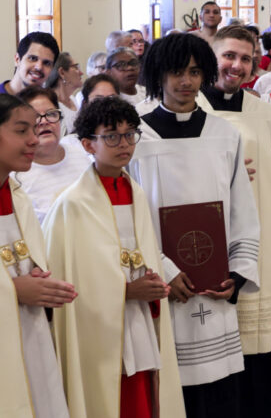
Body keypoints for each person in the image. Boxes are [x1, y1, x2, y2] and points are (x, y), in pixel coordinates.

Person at [129, 32, 261, 418]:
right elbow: (132, 219)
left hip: (214, 289)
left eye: (194, 72)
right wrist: (164, 272)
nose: (185, 82)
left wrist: (236, 274)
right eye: (175, 72)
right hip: (161, 285)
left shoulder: (224, 135)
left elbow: (242, 211)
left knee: (217, 397)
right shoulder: (135, 136)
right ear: (158, 75)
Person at [44, 96, 185, 418]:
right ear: (87, 144)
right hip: (99, 330)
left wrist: (152, 283)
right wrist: (125, 291)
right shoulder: (72, 204)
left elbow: (143, 251)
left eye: (129, 134)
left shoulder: (134, 189)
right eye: (111, 135)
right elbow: (65, 283)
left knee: (147, 394)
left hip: (140, 319)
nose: (123, 144)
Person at [196, 26, 271, 417]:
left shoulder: (262, 111)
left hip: (253, 246)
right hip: (205, 244)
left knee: (252, 354)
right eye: (228, 56)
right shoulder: (190, 109)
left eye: (245, 58)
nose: (236, 66)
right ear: (211, 57)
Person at [0, 93, 75, 418]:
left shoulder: (18, 195)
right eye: (21, 131)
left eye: (35, 129)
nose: (34, 139)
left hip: (30, 338)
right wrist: (13, 291)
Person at [13, 87, 91, 222]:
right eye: (35, 117)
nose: (44, 121)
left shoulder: (81, 155)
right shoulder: (16, 177)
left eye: (51, 114)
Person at [1, 31, 59, 96]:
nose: (39, 67)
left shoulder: (49, 102)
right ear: (17, 60)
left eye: (47, 63)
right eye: (32, 58)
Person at [45, 51, 83, 126]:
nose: (81, 73)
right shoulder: (51, 105)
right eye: (76, 67)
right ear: (62, 72)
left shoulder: (73, 99)